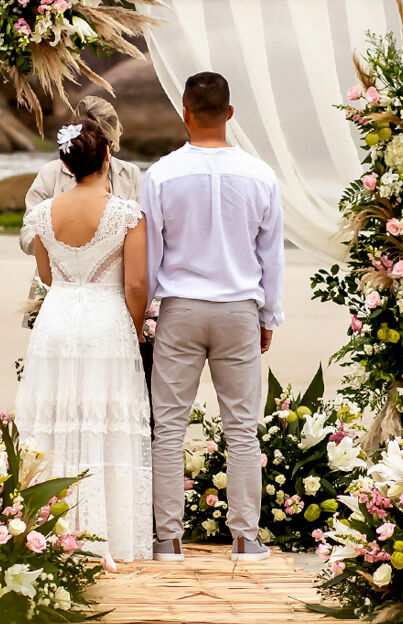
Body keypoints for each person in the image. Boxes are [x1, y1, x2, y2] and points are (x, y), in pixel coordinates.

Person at [141, 72, 285, 563]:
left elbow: (151, 255)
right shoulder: (261, 175)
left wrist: (145, 312)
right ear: (230, 114)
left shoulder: (161, 175)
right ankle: (245, 539)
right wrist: (269, 315)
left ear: (184, 112)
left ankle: (168, 540)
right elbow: (271, 257)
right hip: (239, 310)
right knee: (242, 429)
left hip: (180, 309)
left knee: (168, 429)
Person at [15, 118, 154, 566]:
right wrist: (134, 328)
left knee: (56, 420)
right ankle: (106, 534)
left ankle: (49, 530)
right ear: (108, 156)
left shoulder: (42, 214)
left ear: (66, 163)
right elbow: (136, 285)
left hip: (56, 322)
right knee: (104, 423)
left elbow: (46, 274)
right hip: (107, 322)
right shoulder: (127, 214)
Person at [18, 96, 142, 331]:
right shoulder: (50, 174)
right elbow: (27, 235)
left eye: (104, 141)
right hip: (57, 291)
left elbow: (144, 234)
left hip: (115, 292)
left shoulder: (131, 174)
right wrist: (61, 245)